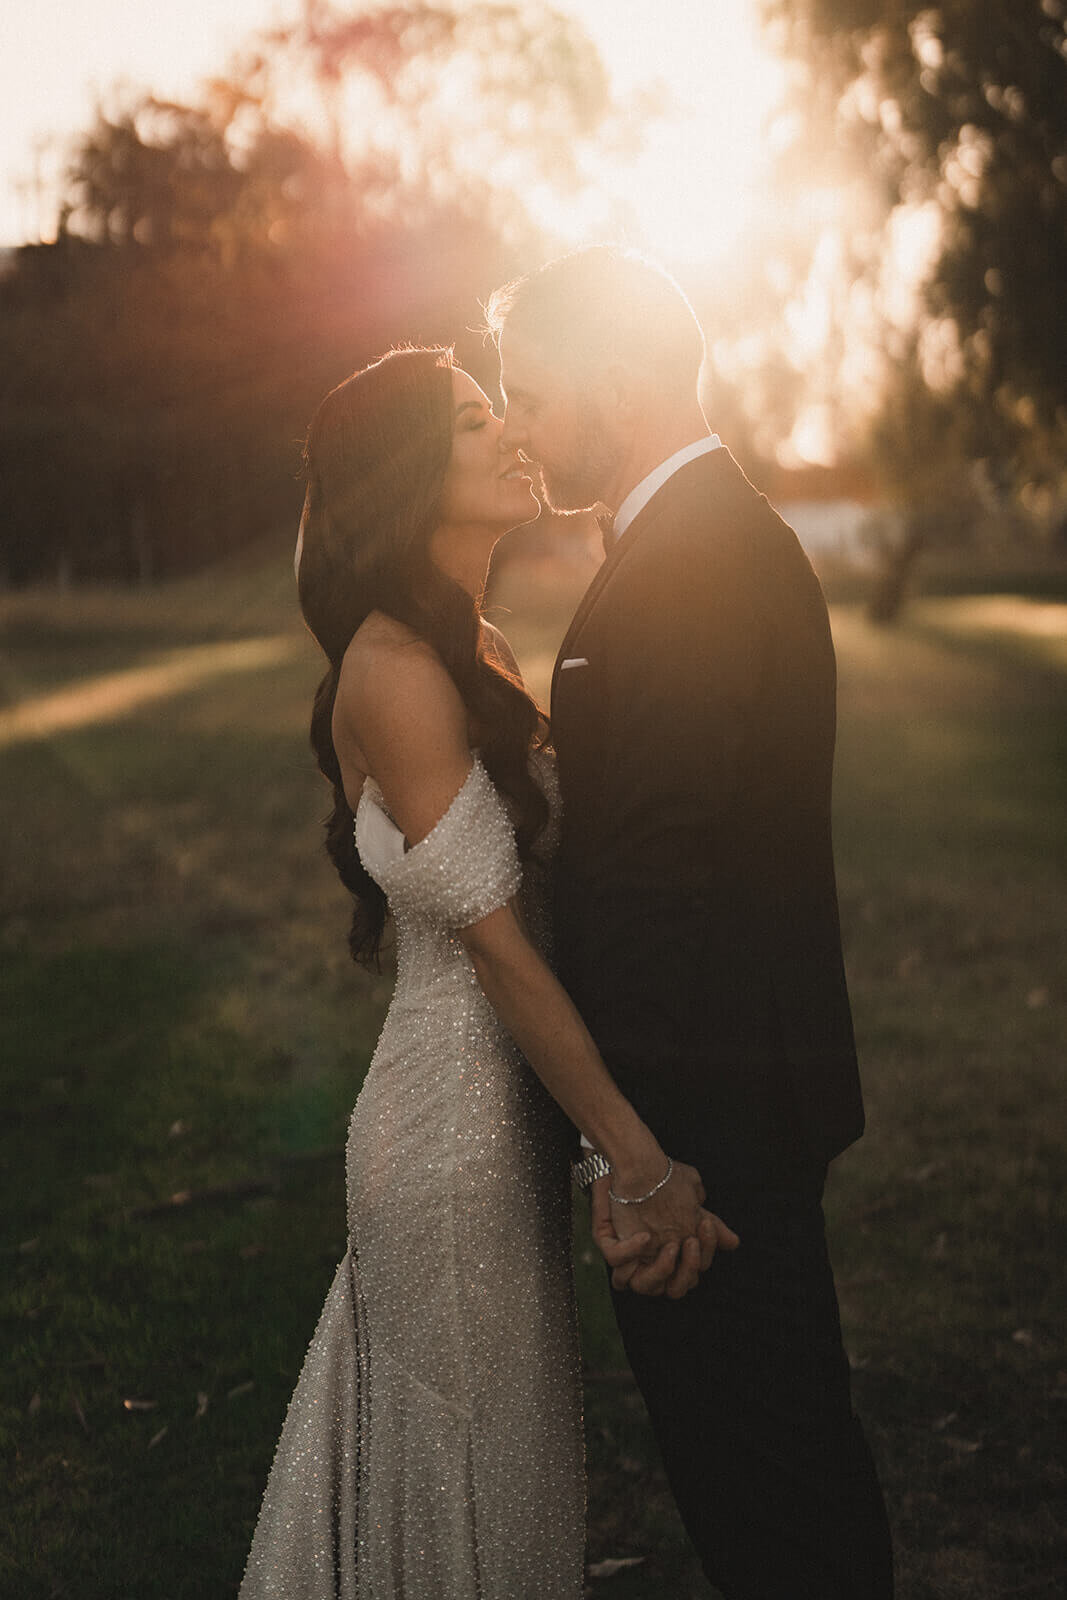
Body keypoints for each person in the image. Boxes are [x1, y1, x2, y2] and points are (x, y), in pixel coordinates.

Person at [238, 345, 738, 1600]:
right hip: (447, 1136)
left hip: (501, 1117)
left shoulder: (475, 649)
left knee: (497, 1469)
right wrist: (636, 1157)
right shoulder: (397, 671)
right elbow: (504, 954)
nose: (512, 431)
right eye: (472, 420)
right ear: (411, 470)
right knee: (471, 1473)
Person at [486, 247, 894, 1600]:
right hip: (717, 1116)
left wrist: (640, 1168)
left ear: (617, 380)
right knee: (772, 1486)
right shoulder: (685, 541)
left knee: (772, 1501)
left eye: (532, 393)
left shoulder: (698, 561)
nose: (521, 426)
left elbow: (657, 891)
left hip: (709, 1145)